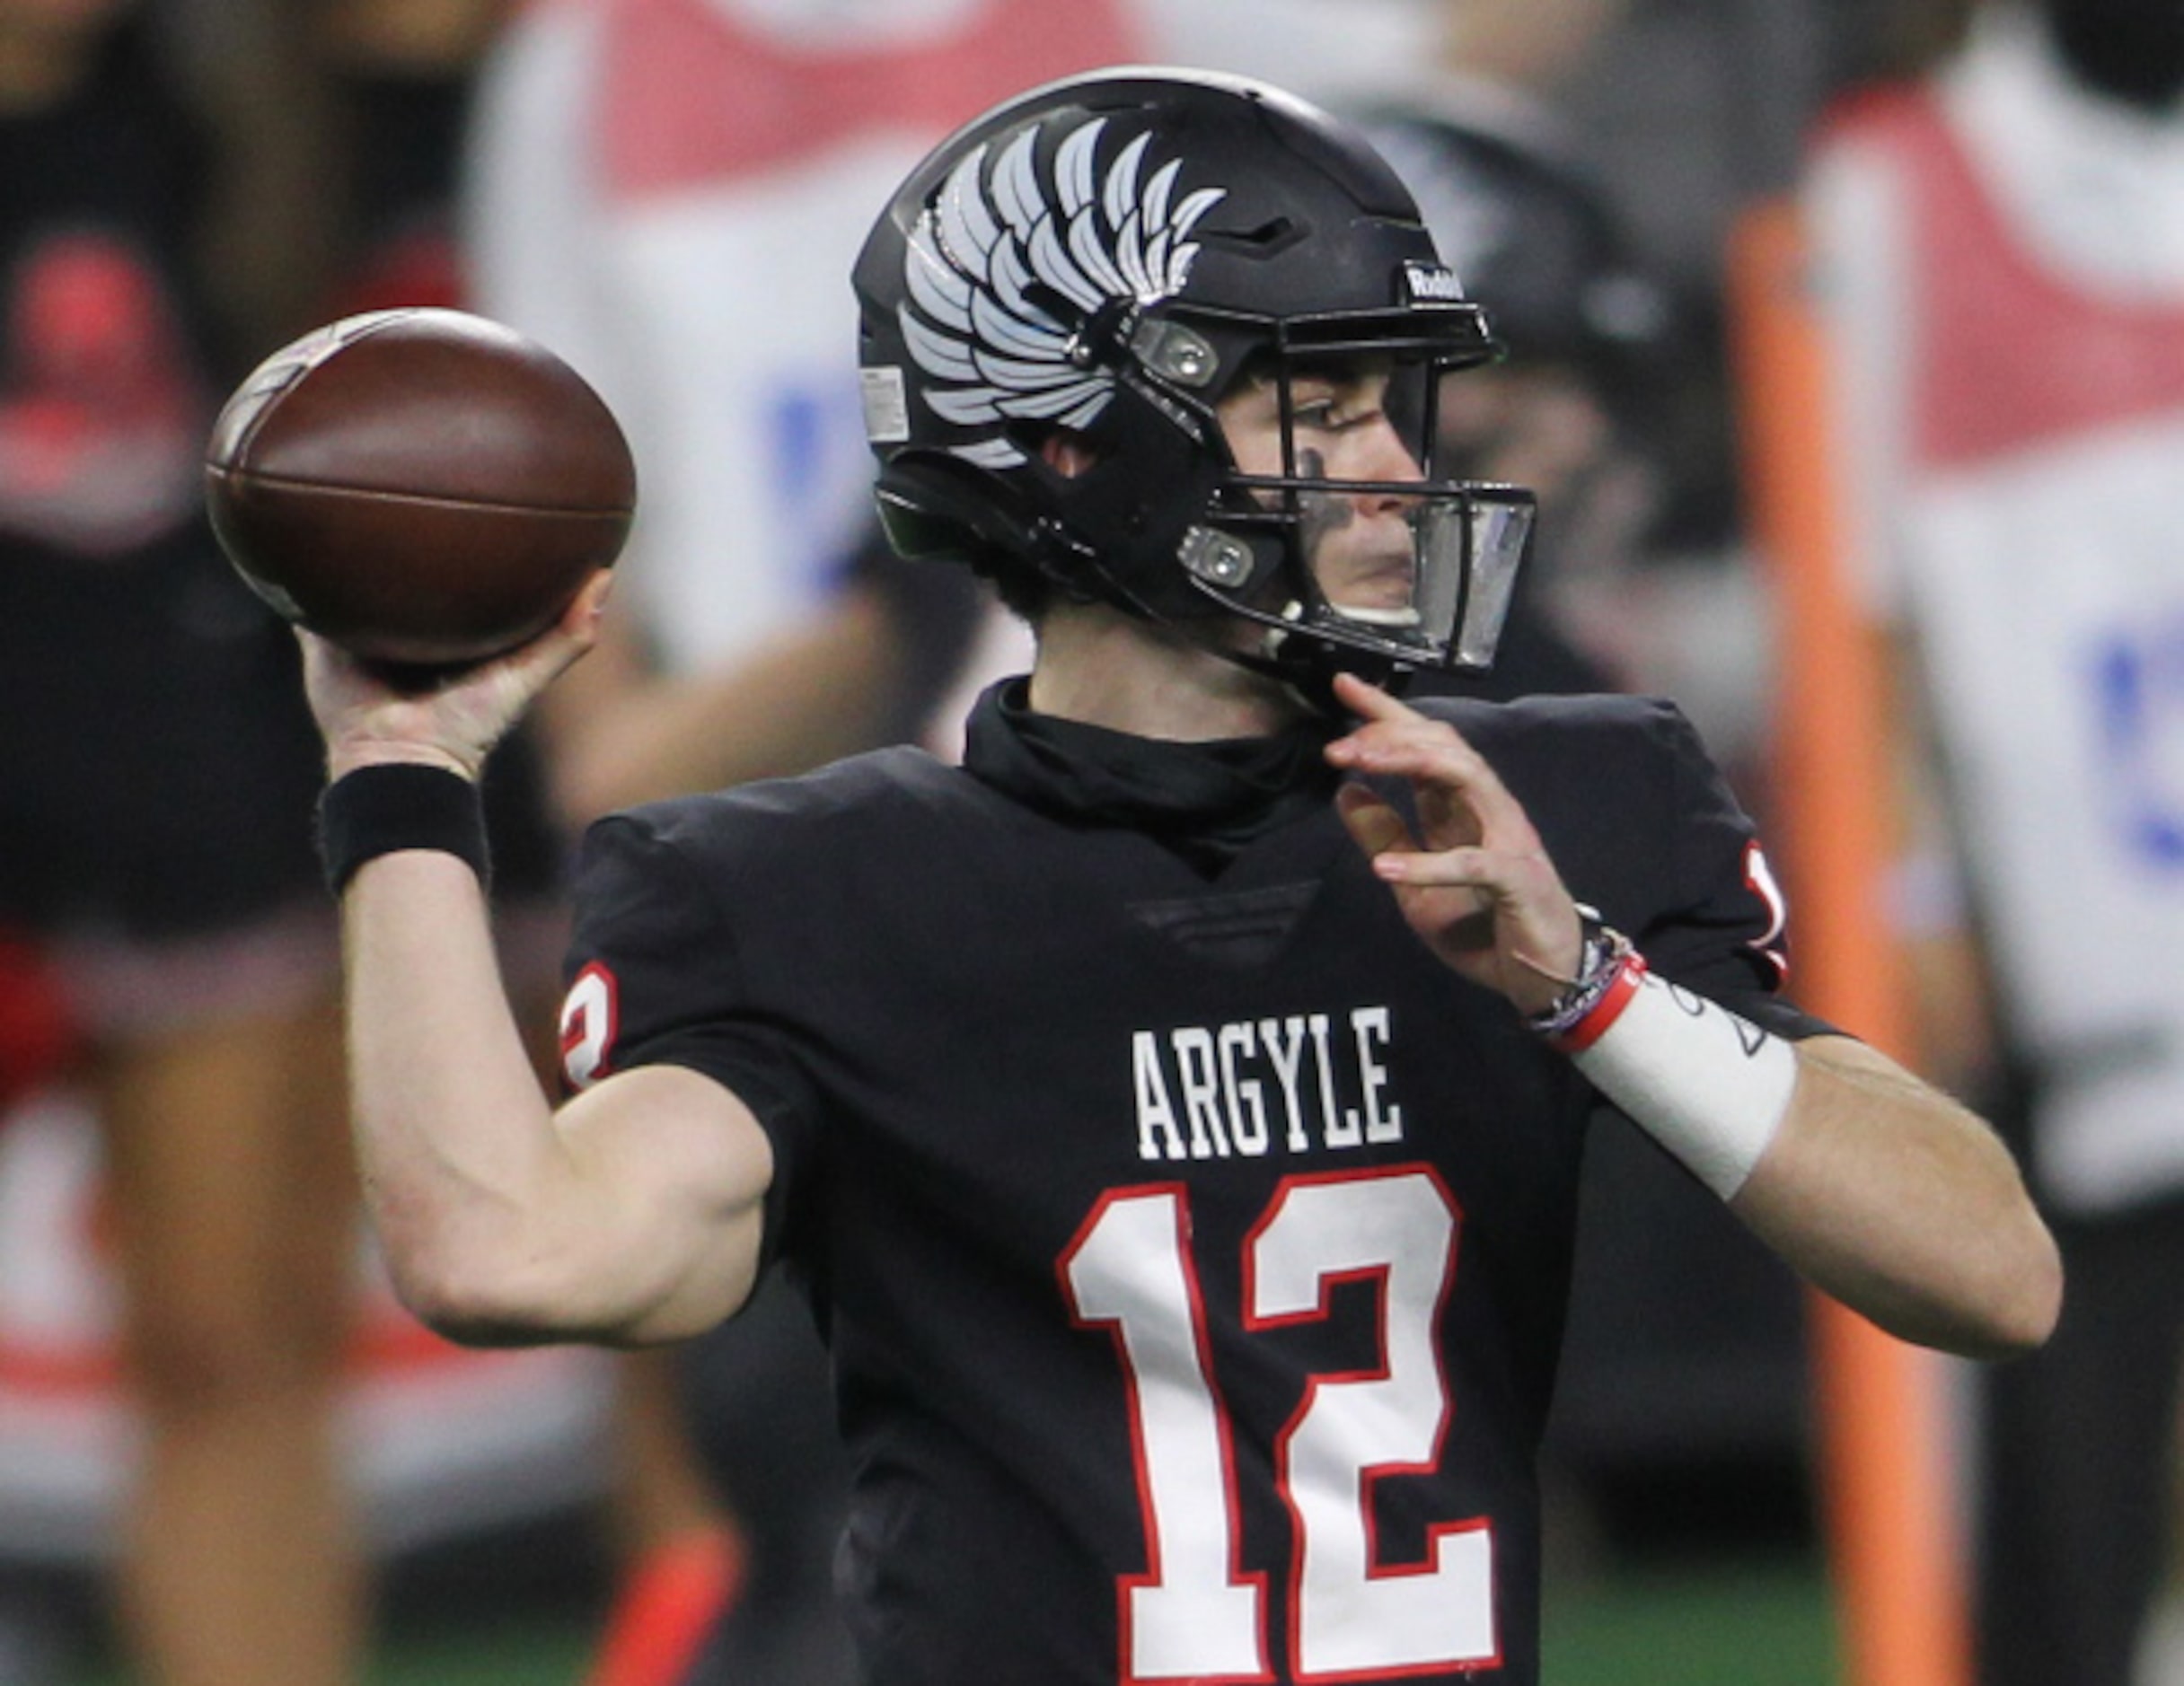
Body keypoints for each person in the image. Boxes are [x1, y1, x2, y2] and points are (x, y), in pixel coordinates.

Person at [299, 68, 2058, 1683]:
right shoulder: (819, 894)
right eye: (1321, 407)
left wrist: (1588, 985)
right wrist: (401, 775)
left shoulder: (1555, 809)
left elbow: (1988, 1274)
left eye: (1396, 403)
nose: (1394, 467)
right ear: (1074, 440)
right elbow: (512, 1253)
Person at [1802, 2, 2184, 1680]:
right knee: (2071, 1469)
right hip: (2072, 963)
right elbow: (1858, 603)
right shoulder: (1901, 182)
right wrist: (1913, 887)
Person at [0, 4, 361, 1682]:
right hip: (89, 826)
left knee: (269, 1330)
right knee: (220, 1346)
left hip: (229, 779)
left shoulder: (181, 114)